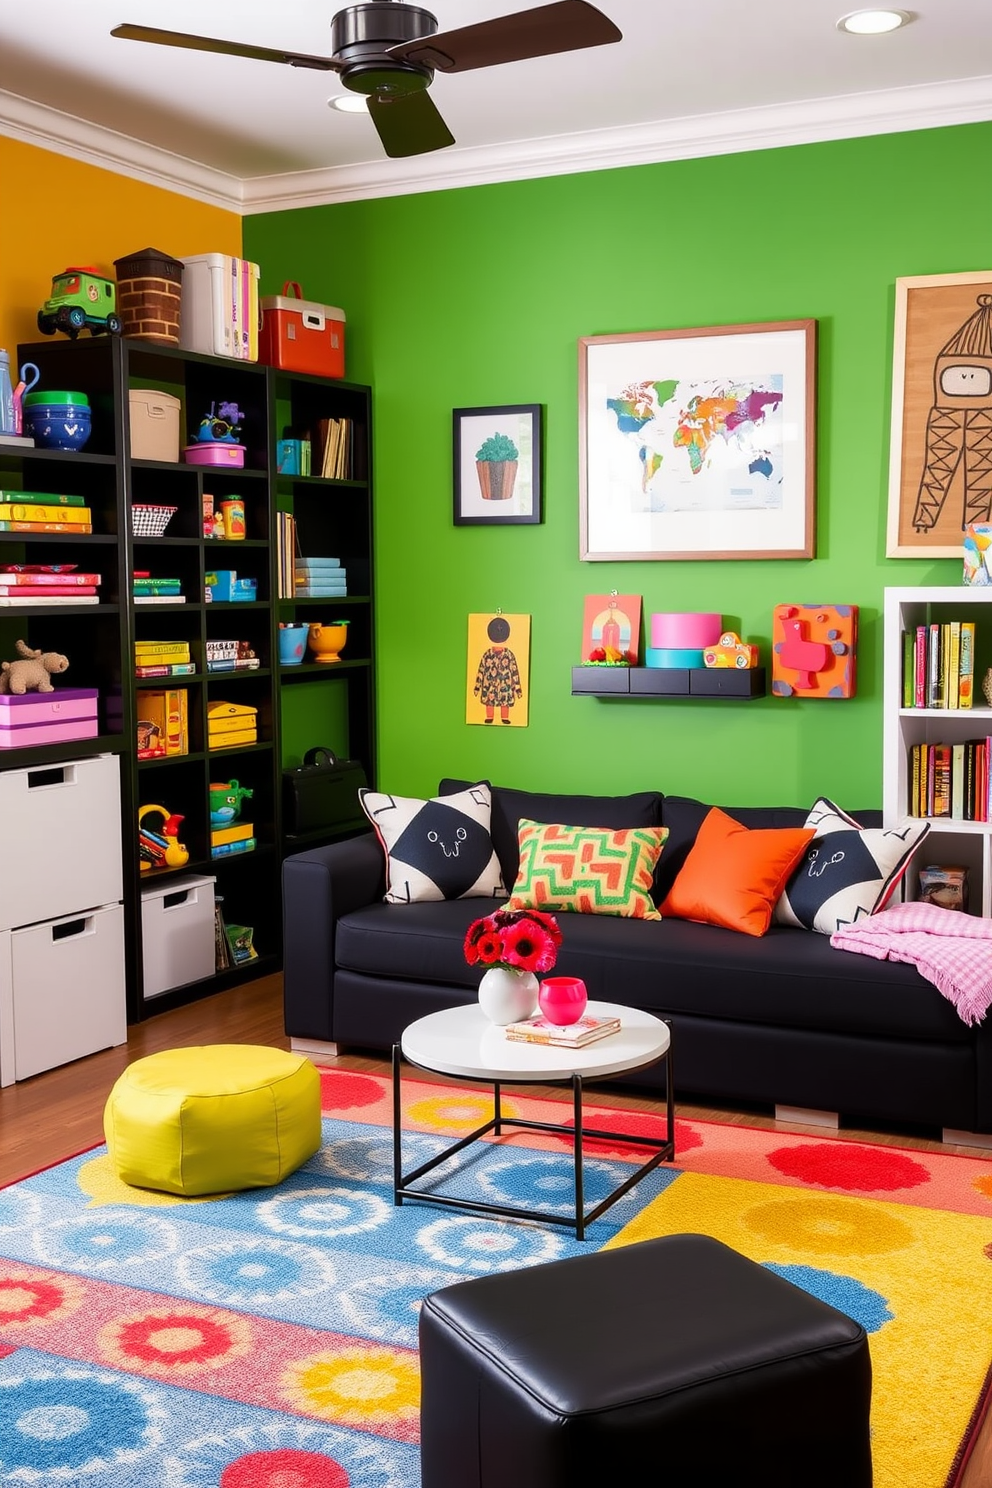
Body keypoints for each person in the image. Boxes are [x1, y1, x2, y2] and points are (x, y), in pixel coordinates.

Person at [473, 615, 522, 724]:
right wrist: (477, 687)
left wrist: (518, 689)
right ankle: (490, 716)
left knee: (505, 702)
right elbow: (481, 671)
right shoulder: (487, 655)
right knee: (489, 702)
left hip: (505, 685)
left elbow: (514, 672)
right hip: (489, 685)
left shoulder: (509, 655)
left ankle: (504, 717)